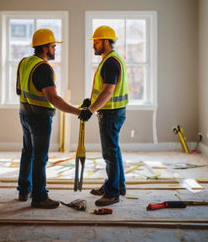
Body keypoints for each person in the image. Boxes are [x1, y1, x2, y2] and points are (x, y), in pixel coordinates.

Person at [16, 28, 81, 209]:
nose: (55, 49)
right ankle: (39, 197)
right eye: (53, 46)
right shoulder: (43, 68)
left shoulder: (25, 62)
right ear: (45, 47)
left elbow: (19, 90)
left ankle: (23, 190)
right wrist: (78, 112)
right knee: (40, 157)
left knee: (28, 152)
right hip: (39, 117)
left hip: (24, 113)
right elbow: (54, 99)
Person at [79, 25, 129, 206]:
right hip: (113, 111)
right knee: (114, 150)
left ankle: (112, 193)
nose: (94, 45)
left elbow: (108, 92)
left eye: (97, 41)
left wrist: (90, 111)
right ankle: (117, 185)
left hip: (111, 113)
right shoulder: (111, 59)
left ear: (106, 42)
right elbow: (106, 91)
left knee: (110, 153)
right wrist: (90, 102)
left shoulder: (110, 62)